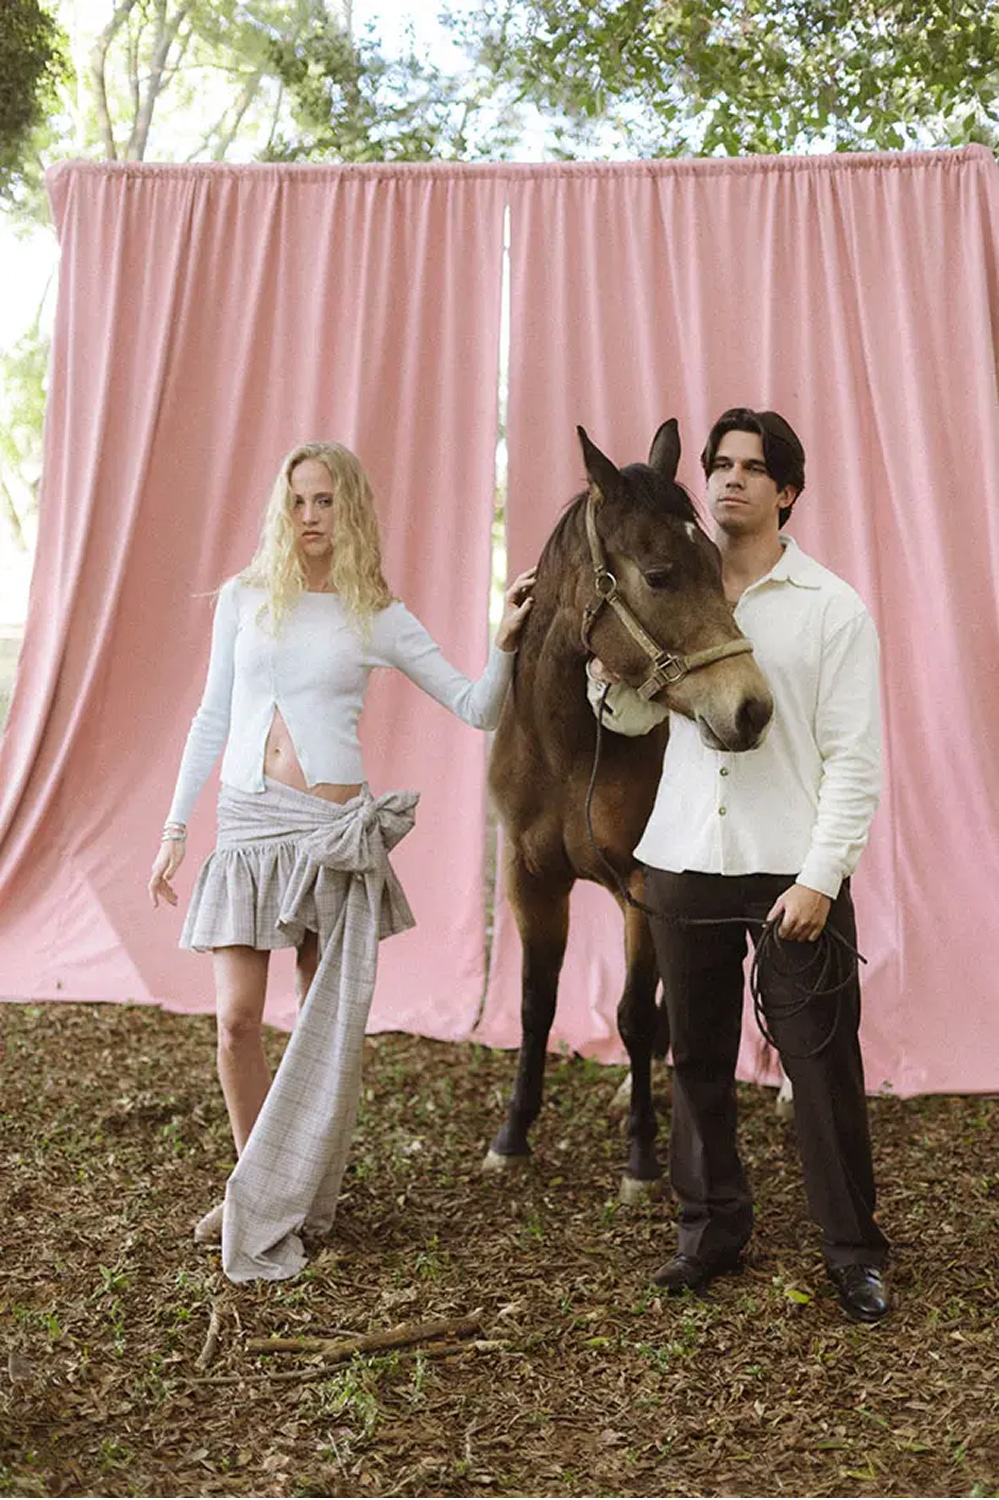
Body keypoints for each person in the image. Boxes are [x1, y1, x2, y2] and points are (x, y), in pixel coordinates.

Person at [149, 440, 534, 1280]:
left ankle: (280, 1192)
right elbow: (212, 716)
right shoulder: (244, 598)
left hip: (330, 832)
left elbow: (476, 708)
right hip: (248, 822)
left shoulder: (375, 614)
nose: (309, 516)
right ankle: (258, 1188)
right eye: (296, 500)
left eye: (324, 501)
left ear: (349, 508)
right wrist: (176, 826)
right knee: (236, 1022)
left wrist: (505, 640)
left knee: (322, 1031)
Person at [587, 408, 888, 1323]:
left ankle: (854, 1253)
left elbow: (854, 759)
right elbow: (635, 719)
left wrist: (820, 877)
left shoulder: (830, 607)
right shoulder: (676, 584)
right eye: (719, 464)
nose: (729, 479)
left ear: (786, 492)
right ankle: (709, 1232)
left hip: (789, 867)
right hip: (684, 857)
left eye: (752, 468)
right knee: (697, 1060)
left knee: (821, 1066)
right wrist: (603, 676)